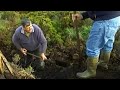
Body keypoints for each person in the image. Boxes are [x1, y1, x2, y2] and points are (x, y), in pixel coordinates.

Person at [72, 11, 120, 79]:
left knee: (93, 46)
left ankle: (91, 72)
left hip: (105, 20)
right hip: (116, 17)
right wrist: (83, 15)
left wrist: (85, 15)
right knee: (107, 43)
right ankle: (103, 64)